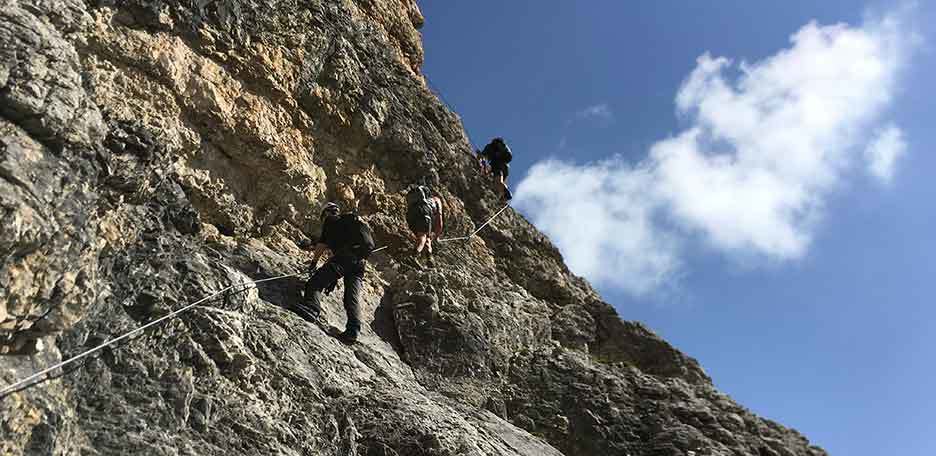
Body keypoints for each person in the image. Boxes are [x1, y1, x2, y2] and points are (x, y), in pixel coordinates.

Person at [293, 202, 374, 344]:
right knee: (351, 297)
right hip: (360, 264)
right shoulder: (348, 225)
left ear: (326, 213)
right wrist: (334, 278)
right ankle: (352, 331)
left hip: (346, 258)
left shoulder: (331, 220)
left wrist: (313, 263)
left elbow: (322, 245)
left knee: (315, 282)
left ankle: (312, 307)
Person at [405, 185, 444, 267]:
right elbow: (439, 221)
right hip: (424, 212)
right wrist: (436, 237)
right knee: (423, 237)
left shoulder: (418, 201)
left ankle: (429, 258)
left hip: (411, 213)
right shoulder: (436, 200)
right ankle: (414, 256)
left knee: (425, 236)